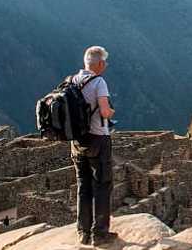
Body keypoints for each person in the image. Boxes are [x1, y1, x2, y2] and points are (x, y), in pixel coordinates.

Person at [71, 46, 117, 246]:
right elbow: (105, 112)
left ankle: (83, 232)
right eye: (104, 62)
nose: (105, 66)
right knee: (102, 185)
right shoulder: (99, 82)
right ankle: (100, 233)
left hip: (77, 142)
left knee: (83, 185)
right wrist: (111, 112)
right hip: (98, 139)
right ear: (99, 64)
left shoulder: (72, 80)